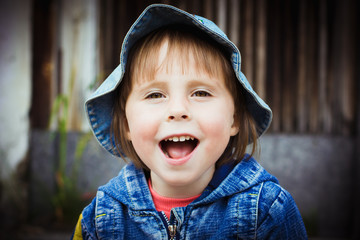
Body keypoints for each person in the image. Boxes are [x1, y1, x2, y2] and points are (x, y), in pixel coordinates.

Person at [72, 4, 307, 240]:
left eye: (201, 93)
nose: (177, 110)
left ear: (234, 118)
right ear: (125, 125)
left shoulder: (266, 213)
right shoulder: (101, 220)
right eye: (155, 95)